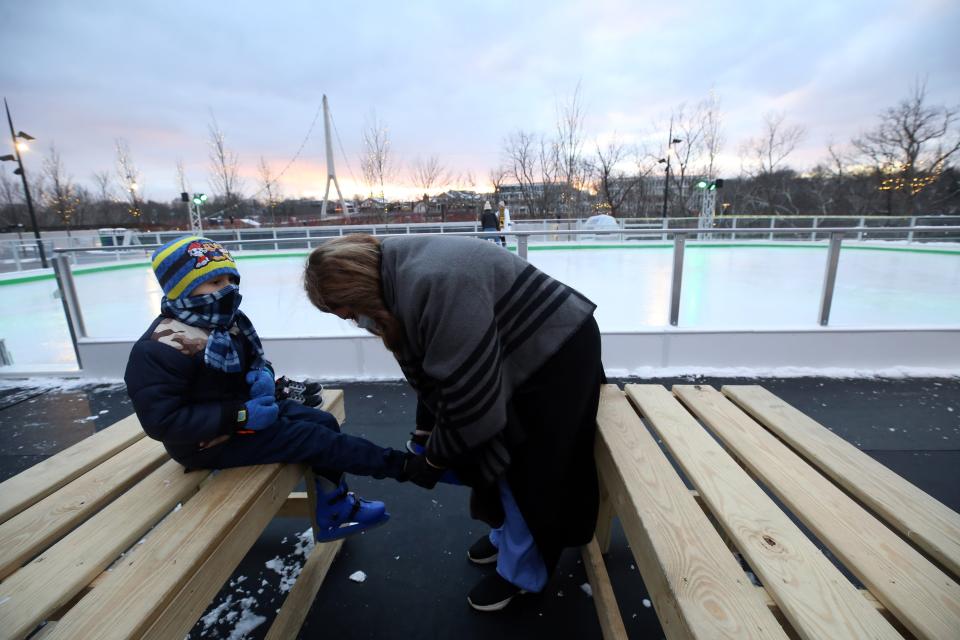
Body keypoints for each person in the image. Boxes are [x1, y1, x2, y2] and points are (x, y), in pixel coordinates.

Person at [303, 234, 604, 612]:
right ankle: (507, 536)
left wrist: (432, 462)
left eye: (346, 310)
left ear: (359, 286)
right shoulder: (396, 276)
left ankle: (524, 573)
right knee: (500, 457)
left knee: (528, 465)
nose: (351, 320)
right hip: (515, 342)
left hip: (554, 350)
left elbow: (471, 406)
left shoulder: (439, 283)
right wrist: (425, 432)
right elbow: (439, 369)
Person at [124, 235, 411, 542]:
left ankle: (334, 506)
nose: (227, 289)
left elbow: (254, 361)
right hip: (206, 442)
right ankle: (401, 466)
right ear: (180, 287)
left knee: (323, 421)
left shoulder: (228, 322)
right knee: (310, 437)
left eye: (229, 279)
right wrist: (240, 416)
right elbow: (163, 420)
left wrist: (262, 374)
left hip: (246, 413)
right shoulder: (158, 348)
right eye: (214, 282)